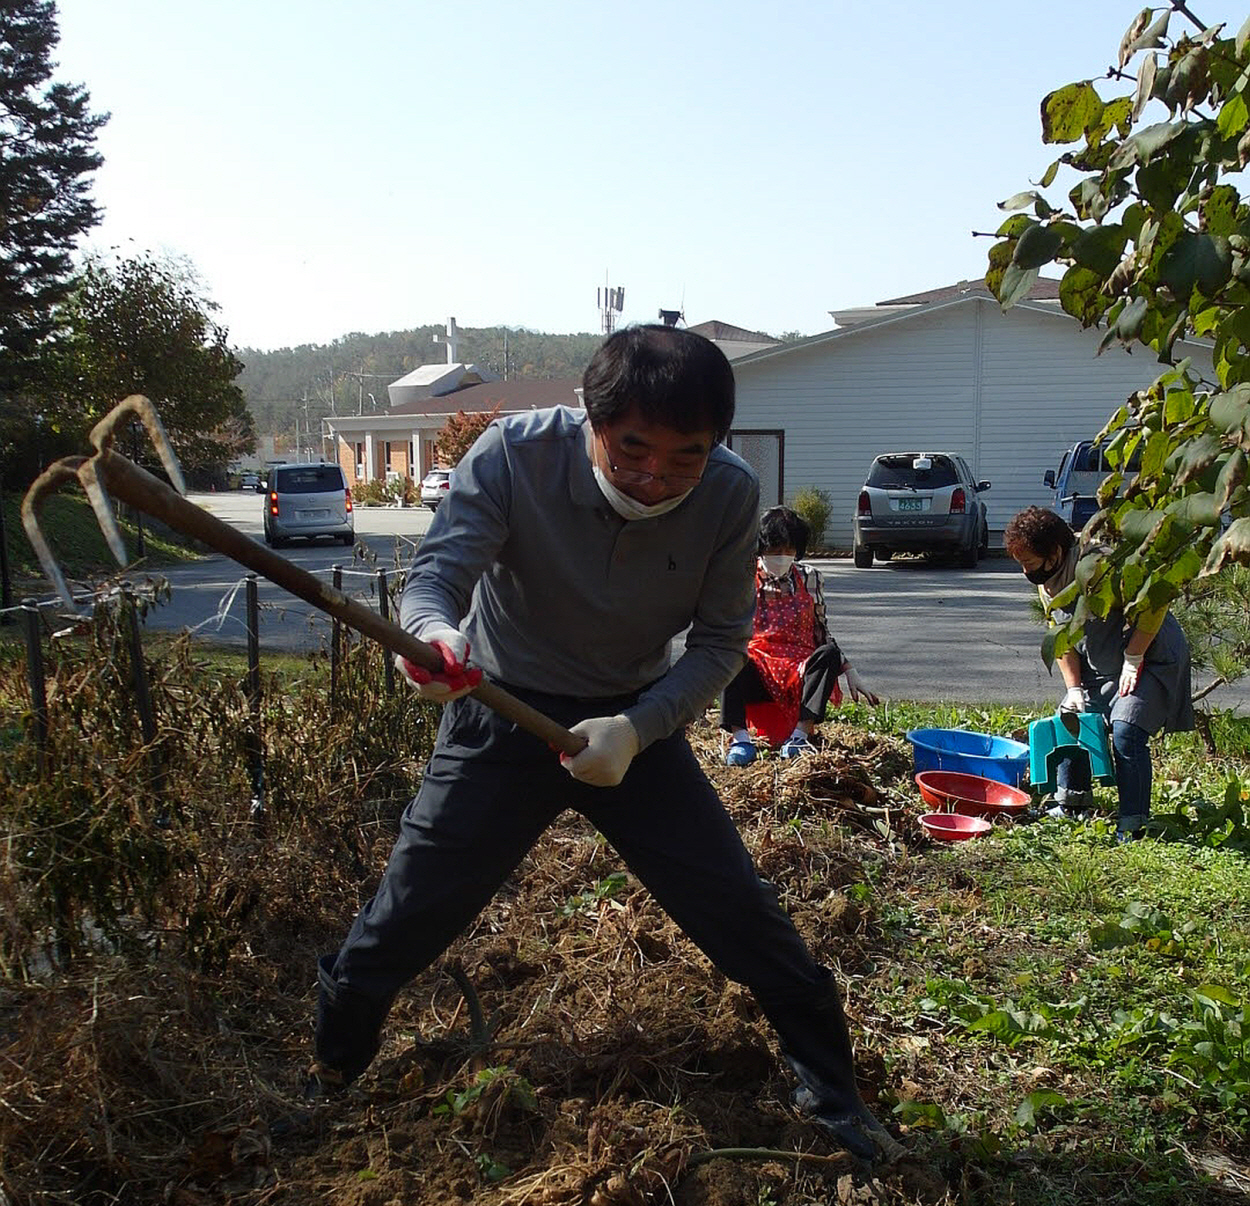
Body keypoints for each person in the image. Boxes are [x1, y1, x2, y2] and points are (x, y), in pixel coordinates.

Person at [311, 324, 898, 1162]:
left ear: (717, 446)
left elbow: (721, 643)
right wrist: (435, 637)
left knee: (735, 906)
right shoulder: (512, 457)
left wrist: (636, 728)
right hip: (500, 711)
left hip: (632, 722)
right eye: (632, 451)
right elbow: (438, 579)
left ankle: (834, 1094)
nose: (655, 479)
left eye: (684, 457)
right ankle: (333, 1063)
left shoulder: (730, 497)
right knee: (413, 904)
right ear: (591, 420)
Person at [1003, 505, 1193, 841]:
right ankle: (1072, 802)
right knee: (1070, 718)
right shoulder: (1048, 581)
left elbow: (1156, 602)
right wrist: (1074, 689)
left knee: (1126, 731)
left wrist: (1134, 657)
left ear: (1055, 553)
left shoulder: (1102, 563)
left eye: (1029, 564)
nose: (1025, 572)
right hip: (1101, 661)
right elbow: (1060, 635)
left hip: (1150, 656)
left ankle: (1134, 821)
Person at [721, 505, 879, 764]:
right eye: (774, 550)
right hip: (757, 670)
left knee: (828, 654)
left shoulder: (811, 579)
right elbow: (726, 629)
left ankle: (799, 736)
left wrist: (848, 669)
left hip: (799, 673)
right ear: (761, 548)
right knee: (731, 653)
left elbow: (822, 632)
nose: (781, 557)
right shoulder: (742, 579)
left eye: (789, 550)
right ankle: (740, 740)